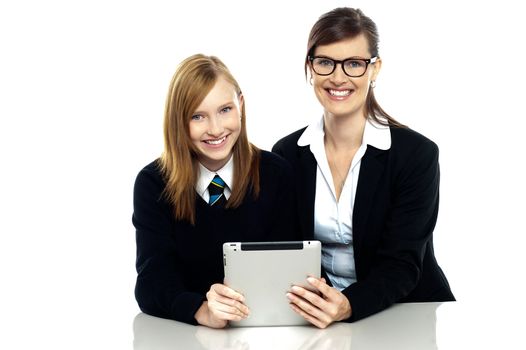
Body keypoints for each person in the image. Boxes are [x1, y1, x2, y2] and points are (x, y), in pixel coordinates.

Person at [272, 7, 455, 329]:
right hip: (319, 317)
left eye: (354, 64)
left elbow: (402, 262)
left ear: (375, 69)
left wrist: (349, 305)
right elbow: (289, 249)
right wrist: (327, 303)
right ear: (310, 68)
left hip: (406, 313)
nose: (338, 77)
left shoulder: (416, 155)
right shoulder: (287, 154)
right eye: (325, 62)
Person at [133, 54, 298, 328]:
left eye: (225, 110)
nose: (216, 129)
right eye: (198, 116)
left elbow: (290, 268)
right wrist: (202, 310)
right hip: (187, 337)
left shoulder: (276, 174)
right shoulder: (154, 184)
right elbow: (152, 282)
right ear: (178, 122)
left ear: (241, 105)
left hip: (266, 329)